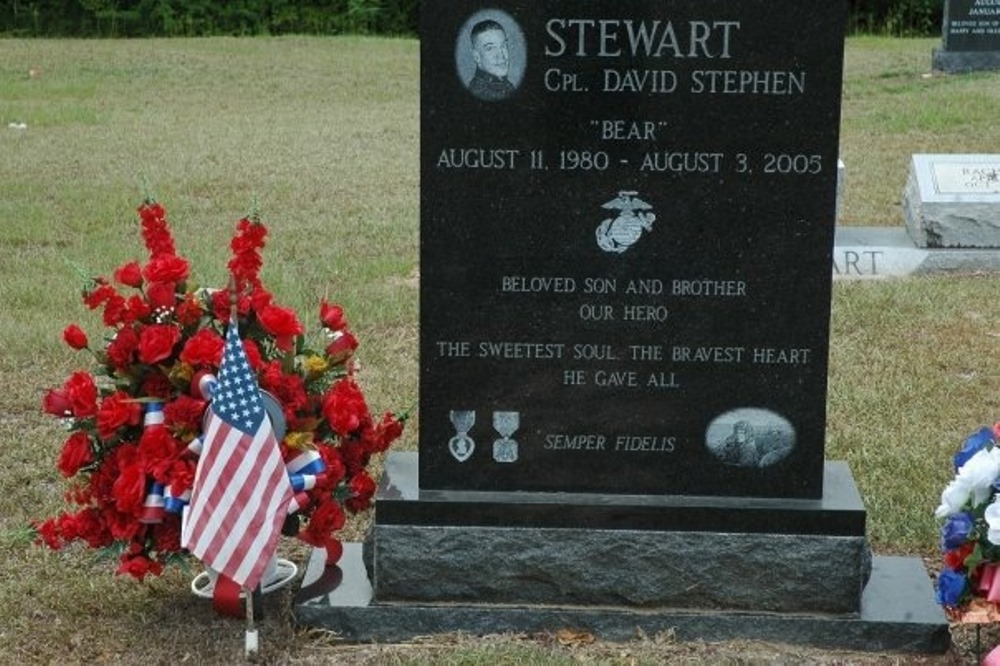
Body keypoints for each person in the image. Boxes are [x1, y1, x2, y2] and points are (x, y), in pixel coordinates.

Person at [467, 19, 515, 101]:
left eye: (503, 46)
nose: (501, 55)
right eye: (490, 48)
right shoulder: (481, 94)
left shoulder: (506, 86)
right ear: (476, 56)